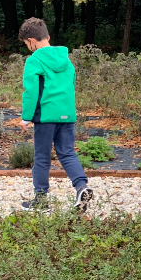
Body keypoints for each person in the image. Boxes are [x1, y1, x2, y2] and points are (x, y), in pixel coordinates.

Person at [17, 17, 94, 213]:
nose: (28, 48)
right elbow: (71, 85)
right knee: (67, 152)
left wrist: (26, 117)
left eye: (27, 44)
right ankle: (81, 187)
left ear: (31, 41)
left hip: (45, 116)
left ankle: (41, 200)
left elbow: (31, 91)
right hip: (67, 115)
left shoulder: (34, 61)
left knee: (42, 156)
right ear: (48, 37)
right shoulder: (67, 61)